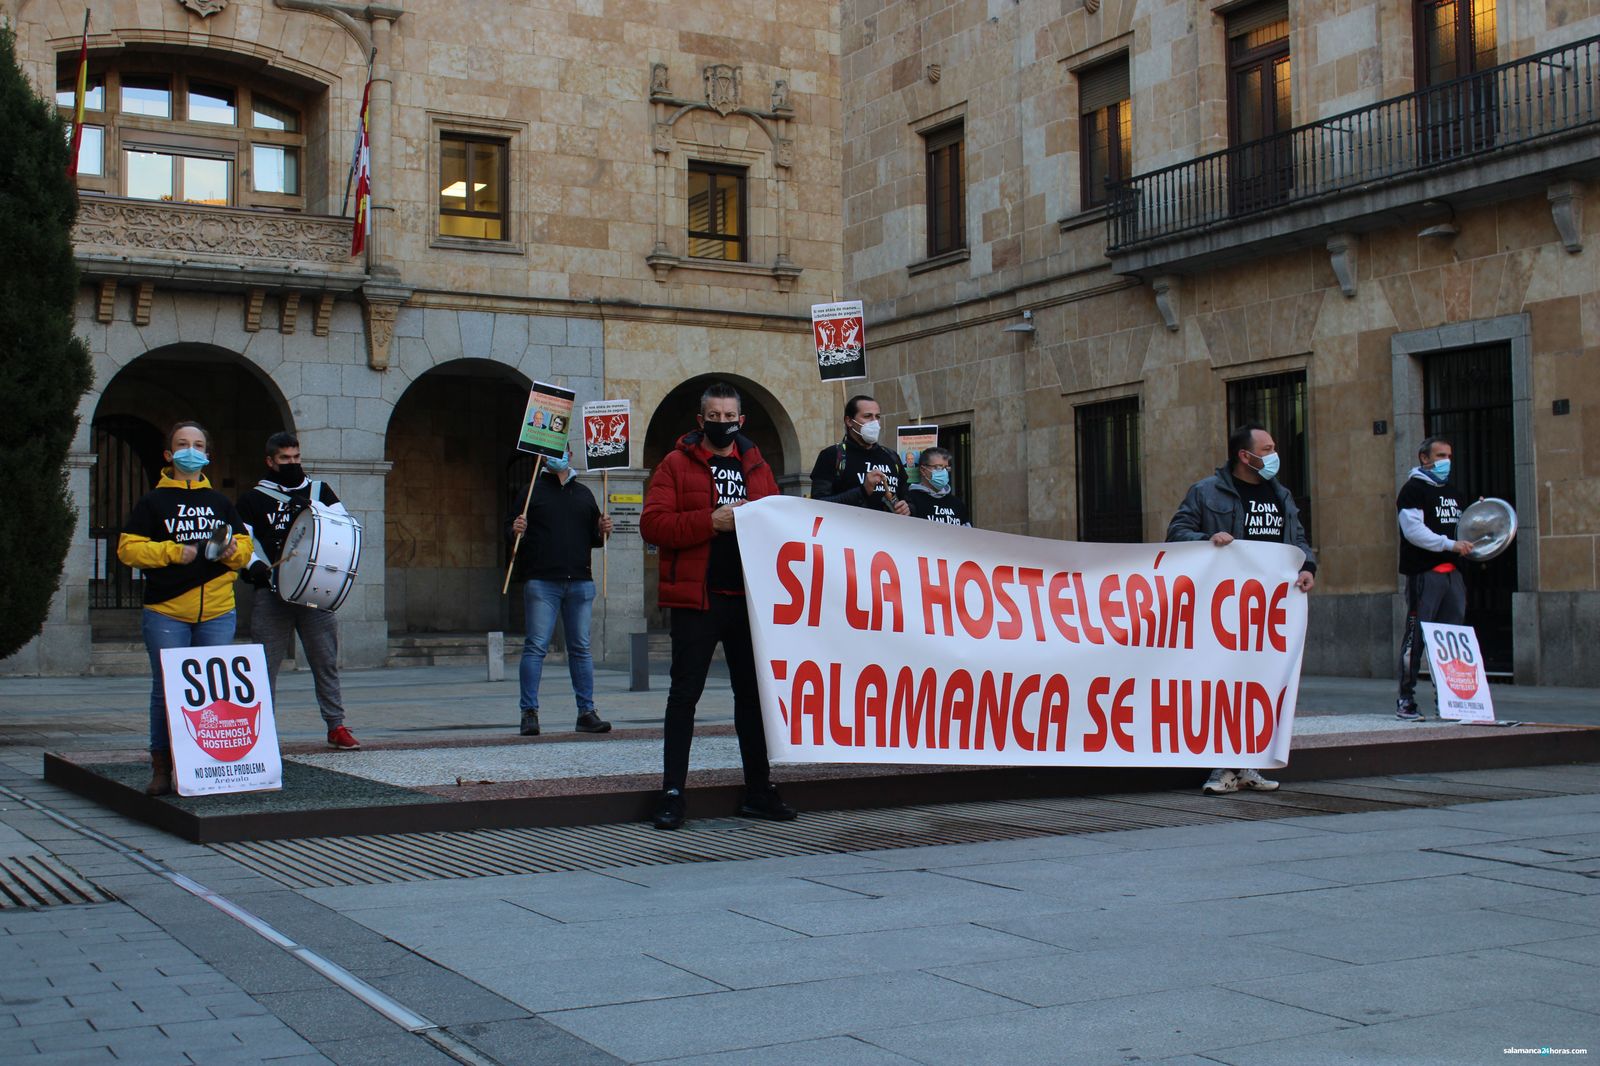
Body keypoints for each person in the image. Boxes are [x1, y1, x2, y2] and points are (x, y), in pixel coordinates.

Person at [640, 382, 796, 830]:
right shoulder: (675, 464)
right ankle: (672, 793)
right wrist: (711, 522)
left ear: (741, 421)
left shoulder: (757, 465)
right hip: (698, 599)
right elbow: (653, 524)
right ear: (700, 419)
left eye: (730, 417)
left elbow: (777, 521)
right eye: (715, 416)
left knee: (752, 698)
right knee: (683, 697)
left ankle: (759, 790)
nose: (723, 424)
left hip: (747, 600)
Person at [1167, 423, 1316, 796]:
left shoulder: (1280, 495)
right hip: (1223, 608)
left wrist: (1308, 568)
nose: (1273, 454)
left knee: (1258, 683)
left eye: (1273, 446)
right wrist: (1207, 539)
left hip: (1269, 609)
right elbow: (1177, 533)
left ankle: (1247, 763)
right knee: (1224, 681)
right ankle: (1221, 766)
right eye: (1266, 449)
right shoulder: (1206, 492)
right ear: (1244, 456)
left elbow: (1298, 540)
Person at [117, 421, 253, 796]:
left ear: (207, 455)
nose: (190, 450)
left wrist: (234, 553)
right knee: (165, 690)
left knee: (213, 693)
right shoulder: (152, 502)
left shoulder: (221, 502)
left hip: (218, 611)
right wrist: (172, 552)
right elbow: (128, 549)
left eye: (197, 445)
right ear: (168, 454)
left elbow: (244, 546)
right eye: (182, 444)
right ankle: (163, 767)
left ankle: (208, 764)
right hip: (166, 611)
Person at [236, 432, 361, 751]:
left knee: (325, 661)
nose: (292, 464)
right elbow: (243, 542)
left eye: (296, 458)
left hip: (316, 592)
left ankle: (336, 726)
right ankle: (261, 731)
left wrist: (316, 510)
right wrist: (255, 568)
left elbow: (344, 527)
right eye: (284, 459)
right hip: (272, 591)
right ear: (270, 461)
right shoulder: (253, 498)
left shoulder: (320, 491)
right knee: (263, 666)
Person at [508, 445, 613, 736]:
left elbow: (594, 538)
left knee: (580, 648)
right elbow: (512, 533)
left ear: (570, 453)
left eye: (562, 449)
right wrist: (517, 528)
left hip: (580, 581)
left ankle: (586, 712)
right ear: (541, 456)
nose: (558, 455)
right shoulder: (531, 492)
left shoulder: (584, 494)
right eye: (551, 450)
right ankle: (529, 712)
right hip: (542, 581)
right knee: (536, 646)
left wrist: (603, 528)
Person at [1395, 436, 1472, 721]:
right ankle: (1406, 700)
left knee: (1452, 640)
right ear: (1424, 458)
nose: (1446, 461)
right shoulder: (1412, 491)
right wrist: (1449, 545)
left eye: (1449, 455)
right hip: (1423, 575)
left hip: (1453, 575)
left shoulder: (1454, 492)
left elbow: (1463, 526)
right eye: (1440, 455)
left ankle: (1450, 700)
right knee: (1415, 640)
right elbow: (1414, 532)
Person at [809, 395, 911, 515]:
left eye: (877, 417)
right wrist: (862, 491)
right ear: (849, 421)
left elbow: (908, 499)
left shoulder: (891, 456)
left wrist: (908, 508)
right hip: (849, 531)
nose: (874, 422)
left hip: (887, 531)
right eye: (867, 416)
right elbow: (818, 505)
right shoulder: (833, 455)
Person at [905, 447, 971, 526]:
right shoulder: (909, 500)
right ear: (923, 470)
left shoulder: (957, 504)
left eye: (946, 468)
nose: (944, 472)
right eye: (938, 467)